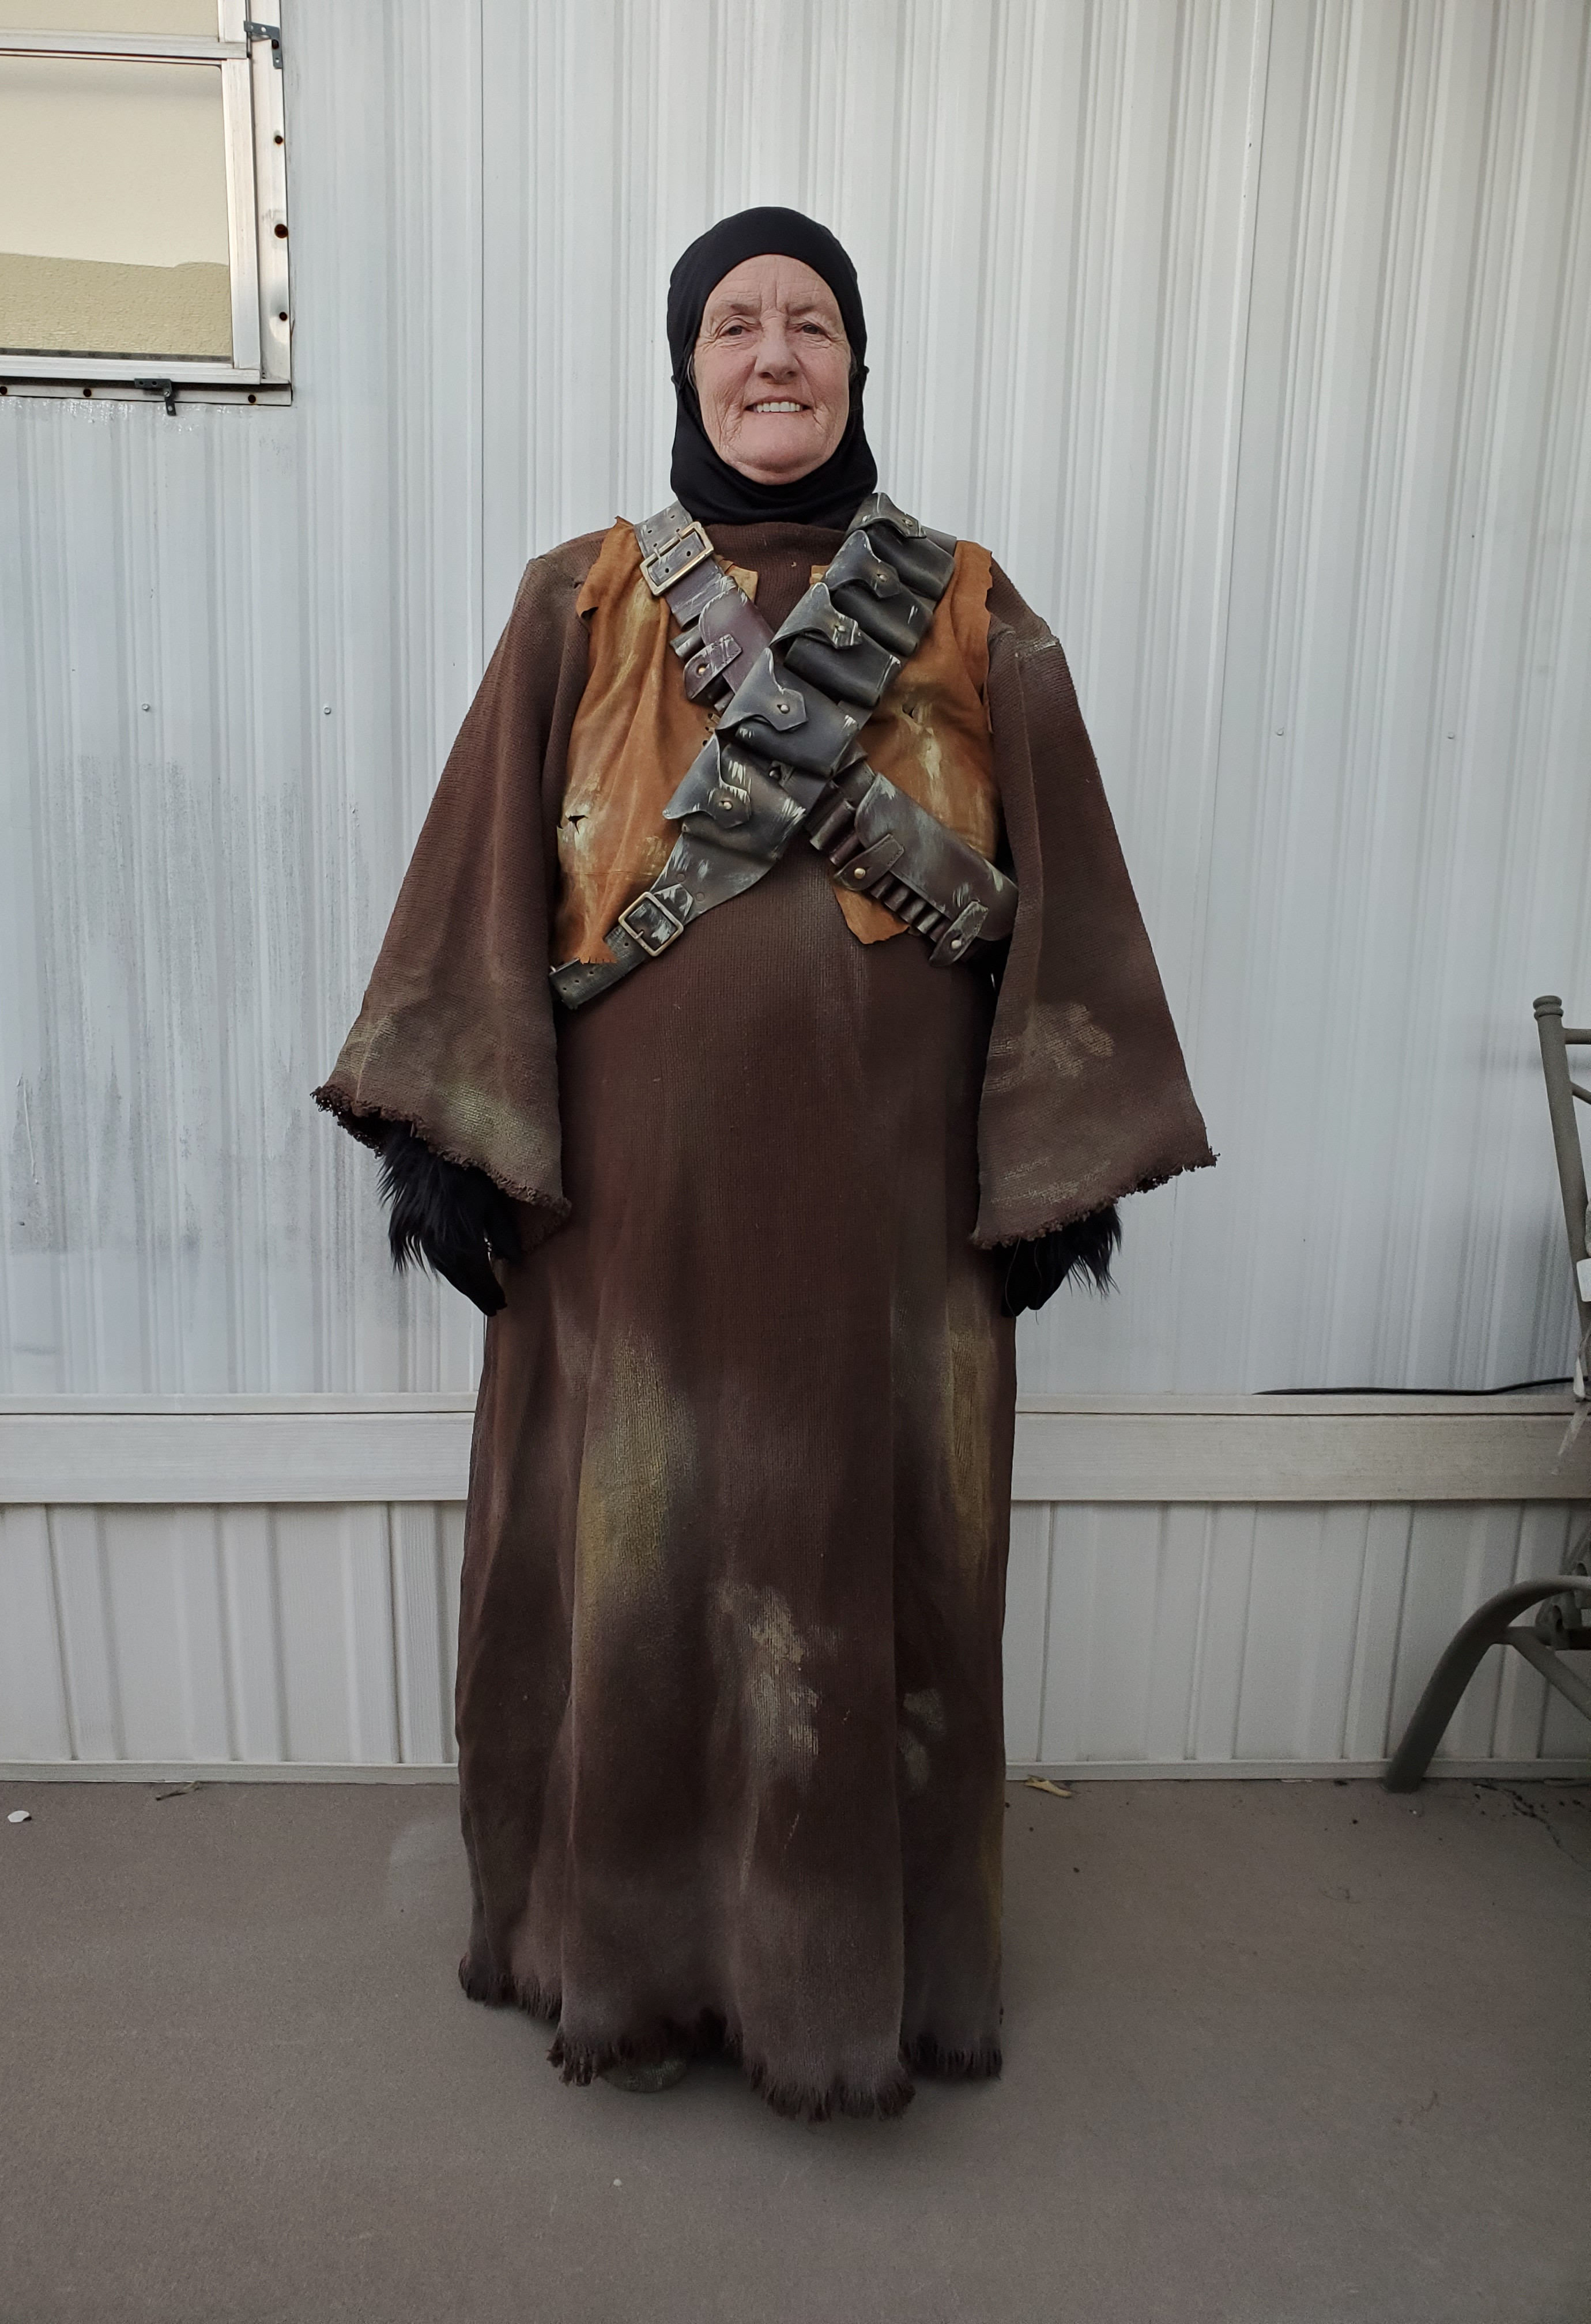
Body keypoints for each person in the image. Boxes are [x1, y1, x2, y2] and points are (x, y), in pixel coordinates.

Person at [315, 207, 1211, 2120]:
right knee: (619, 1568)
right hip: (625, 1234)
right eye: (736, 325)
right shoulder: (576, 601)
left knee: (877, 1577)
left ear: (859, 364)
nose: (776, 355)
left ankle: (850, 1983)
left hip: (892, 1235)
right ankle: (613, 1955)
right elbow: (480, 872)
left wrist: (1054, 1171)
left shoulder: (969, 607)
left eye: (813, 322)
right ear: (689, 367)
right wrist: (462, 1154)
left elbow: (1071, 894)